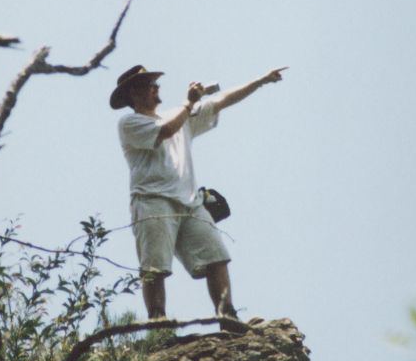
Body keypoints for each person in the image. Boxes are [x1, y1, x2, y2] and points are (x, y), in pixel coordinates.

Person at [110, 63, 287, 323]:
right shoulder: (130, 122)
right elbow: (166, 130)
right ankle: (158, 323)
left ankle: (228, 317)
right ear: (134, 94)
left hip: (191, 203)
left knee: (217, 256)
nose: (156, 88)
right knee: (155, 267)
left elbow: (222, 101)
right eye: (149, 85)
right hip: (152, 201)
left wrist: (261, 80)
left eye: (155, 84)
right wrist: (189, 103)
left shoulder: (180, 116)